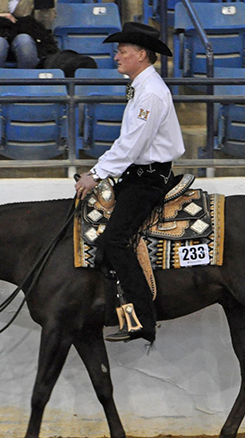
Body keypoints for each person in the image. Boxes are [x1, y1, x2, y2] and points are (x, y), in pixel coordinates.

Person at [75, 22, 185, 344]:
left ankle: (145, 320)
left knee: (116, 241)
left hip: (147, 179)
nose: (117, 56)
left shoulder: (150, 92)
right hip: (137, 175)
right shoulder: (143, 87)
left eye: (122, 51)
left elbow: (133, 144)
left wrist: (95, 174)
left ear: (141, 54)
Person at [0, 0, 56, 78]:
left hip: (22, 39)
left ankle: (27, 89)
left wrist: (44, 8)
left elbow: (43, 26)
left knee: (25, 40)